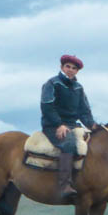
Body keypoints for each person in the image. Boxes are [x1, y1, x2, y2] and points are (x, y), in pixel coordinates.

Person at [40, 54, 98, 201]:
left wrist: (92, 125)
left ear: (77, 71)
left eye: (74, 68)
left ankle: (95, 187)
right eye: (68, 66)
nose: (70, 70)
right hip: (53, 125)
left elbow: (84, 111)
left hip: (73, 125)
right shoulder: (52, 84)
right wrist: (59, 124)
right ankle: (64, 185)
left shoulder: (79, 88)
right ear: (61, 67)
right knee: (69, 143)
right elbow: (47, 107)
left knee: (96, 144)